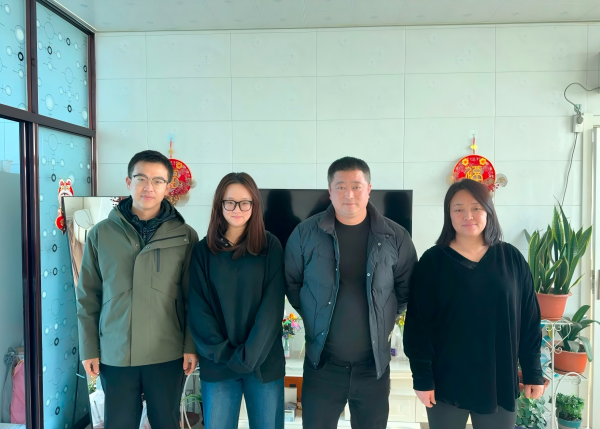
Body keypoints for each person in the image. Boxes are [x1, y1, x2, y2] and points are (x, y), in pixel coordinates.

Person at [284, 156, 418, 429]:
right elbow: (292, 284)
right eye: (341, 187)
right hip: (322, 364)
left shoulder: (396, 237)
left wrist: (384, 316)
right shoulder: (305, 234)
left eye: (356, 186)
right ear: (329, 191)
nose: (349, 194)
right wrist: (314, 313)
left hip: (373, 367)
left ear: (369, 189)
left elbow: (406, 290)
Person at [403, 179, 544, 429]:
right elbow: (418, 326)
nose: (468, 216)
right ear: (449, 214)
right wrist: (422, 378)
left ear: (488, 211)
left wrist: (533, 372)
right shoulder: (432, 262)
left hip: (499, 381)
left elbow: (529, 320)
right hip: (445, 383)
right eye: (458, 209)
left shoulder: (511, 258)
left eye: (476, 208)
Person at [76, 150, 199, 429]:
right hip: (116, 353)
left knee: (166, 423)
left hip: (167, 352)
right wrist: (89, 348)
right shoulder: (101, 234)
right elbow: (87, 298)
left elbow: (193, 299)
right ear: (128, 182)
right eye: (141, 178)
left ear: (168, 187)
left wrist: (190, 346)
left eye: (158, 180)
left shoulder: (185, 236)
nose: (148, 187)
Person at [188, 172, 285, 429]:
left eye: (245, 202)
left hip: (263, 363)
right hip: (219, 365)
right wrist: (226, 354)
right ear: (219, 205)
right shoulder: (202, 251)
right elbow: (198, 310)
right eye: (230, 202)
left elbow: (272, 308)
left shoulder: (270, 246)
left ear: (254, 205)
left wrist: (247, 356)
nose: (237, 209)